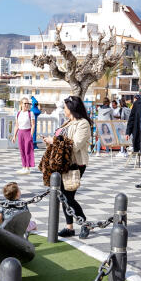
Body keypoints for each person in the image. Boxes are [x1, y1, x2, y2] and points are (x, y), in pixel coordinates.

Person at [53, 95, 93, 239]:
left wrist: (56, 142)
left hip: (75, 164)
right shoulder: (68, 122)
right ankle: (69, 227)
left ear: (71, 108)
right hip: (63, 163)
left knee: (68, 197)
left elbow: (75, 145)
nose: (63, 109)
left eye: (65, 107)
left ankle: (84, 223)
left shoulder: (83, 124)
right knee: (63, 196)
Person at [14, 97, 35, 173]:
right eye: (25, 103)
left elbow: (33, 125)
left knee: (27, 150)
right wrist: (14, 135)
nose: (26, 105)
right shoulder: (18, 113)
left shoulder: (30, 113)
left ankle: (27, 167)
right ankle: (23, 166)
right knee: (22, 150)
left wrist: (31, 135)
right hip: (20, 133)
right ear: (21, 104)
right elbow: (16, 125)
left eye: (28, 103)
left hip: (27, 132)